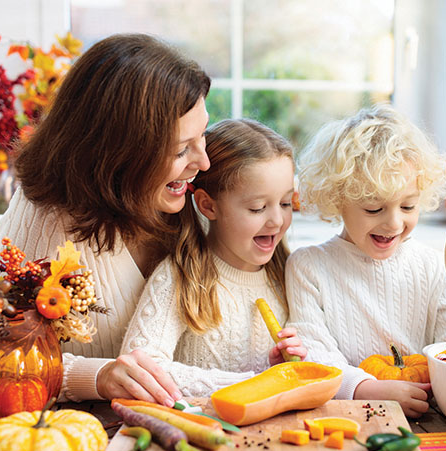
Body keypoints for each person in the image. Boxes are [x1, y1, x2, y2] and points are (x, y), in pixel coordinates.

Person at [0, 33, 211, 407]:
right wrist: (98, 376)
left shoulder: (195, 200)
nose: (203, 163)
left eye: (203, 135)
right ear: (119, 153)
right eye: (180, 150)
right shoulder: (44, 214)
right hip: (76, 431)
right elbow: (3, 360)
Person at [120, 119, 307, 396]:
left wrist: (293, 363)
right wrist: (255, 383)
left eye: (286, 203)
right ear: (208, 205)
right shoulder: (180, 275)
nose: (277, 220)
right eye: (257, 208)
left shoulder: (289, 274)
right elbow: (142, 368)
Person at [285, 103, 446, 418]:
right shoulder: (309, 266)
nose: (394, 224)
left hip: (426, 414)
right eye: (374, 209)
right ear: (338, 199)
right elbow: (313, 352)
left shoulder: (428, 263)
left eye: (408, 206)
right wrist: (365, 389)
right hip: (347, 414)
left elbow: (445, 342)